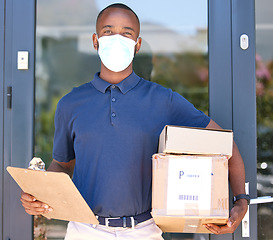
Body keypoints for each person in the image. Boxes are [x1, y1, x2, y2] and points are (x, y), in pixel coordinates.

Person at [21, 3, 248, 239]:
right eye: (108, 31)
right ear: (95, 41)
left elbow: (224, 145)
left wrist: (241, 200)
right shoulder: (70, 103)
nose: (116, 38)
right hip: (84, 230)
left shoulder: (163, 100)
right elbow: (62, 165)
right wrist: (42, 194)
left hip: (144, 231)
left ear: (137, 44)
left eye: (127, 33)